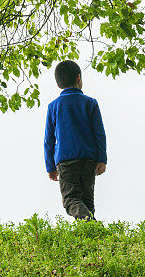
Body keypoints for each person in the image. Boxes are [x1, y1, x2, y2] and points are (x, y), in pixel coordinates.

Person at [44, 60, 107, 221]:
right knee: (87, 201)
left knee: (71, 199)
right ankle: (93, 235)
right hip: (89, 159)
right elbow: (99, 133)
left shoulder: (53, 106)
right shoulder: (90, 103)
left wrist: (50, 166)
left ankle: (92, 227)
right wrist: (101, 159)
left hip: (66, 161)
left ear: (58, 84)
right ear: (79, 78)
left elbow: (49, 140)